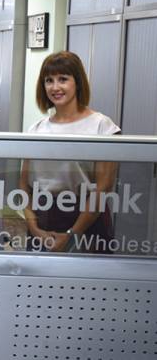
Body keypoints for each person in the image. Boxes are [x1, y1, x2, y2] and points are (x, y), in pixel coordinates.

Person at [20, 51, 120, 253]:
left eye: (63, 79)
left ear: (78, 82)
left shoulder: (102, 126)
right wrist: (33, 227)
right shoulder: (36, 129)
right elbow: (24, 185)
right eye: (49, 80)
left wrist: (72, 235)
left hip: (86, 220)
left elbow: (103, 188)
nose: (55, 87)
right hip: (43, 219)